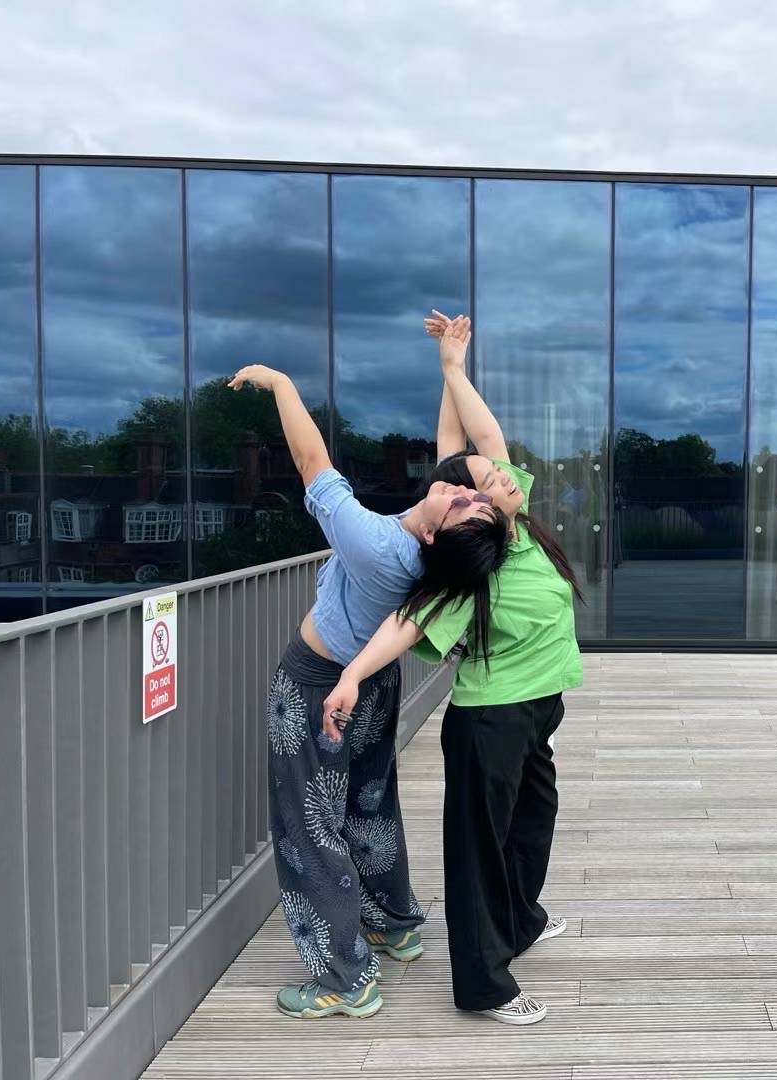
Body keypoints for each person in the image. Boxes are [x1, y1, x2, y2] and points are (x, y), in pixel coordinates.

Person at [232, 319, 511, 1022]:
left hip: (317, 682)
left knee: (308, 826)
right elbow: (453, 458)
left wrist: (281, 383)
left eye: (469, 505)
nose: (466, 493)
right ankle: (391, 921)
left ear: (434, 532)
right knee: (368, 801)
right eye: (471, 495)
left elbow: (310, 460)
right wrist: (452, 365)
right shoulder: (431, 553)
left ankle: (342, 977)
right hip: (373, 681)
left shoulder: (381, 547)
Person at [325, 311, 584, 1027]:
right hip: (489, 719)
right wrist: (350, 676)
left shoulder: (517, 520)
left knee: (533, 827)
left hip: (537, 708)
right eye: (473, 487)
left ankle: (520, 921)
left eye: (487, 477)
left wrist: (453, 369)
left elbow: (475, 444)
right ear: (453, 521)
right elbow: (405, 624)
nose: (490, 476)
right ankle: (484, 984)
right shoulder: (472, 566)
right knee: (478, 850)